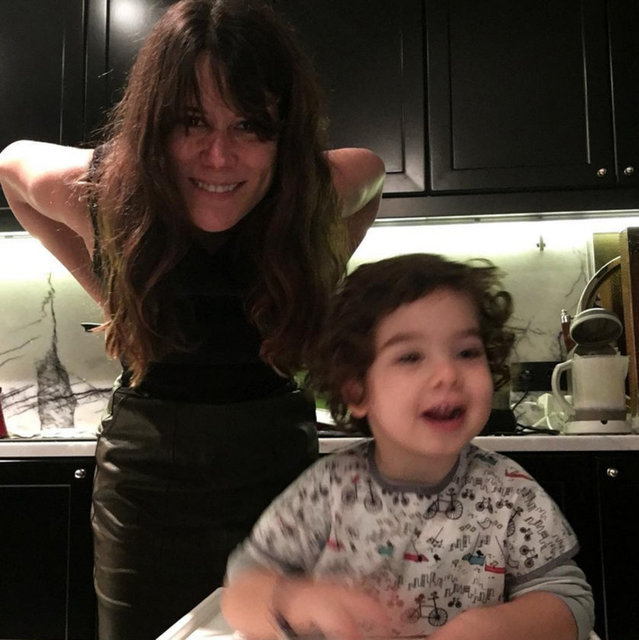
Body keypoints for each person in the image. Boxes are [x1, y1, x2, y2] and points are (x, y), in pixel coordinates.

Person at [0, 1, 385, 638]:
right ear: (154, 126)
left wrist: (312, 276)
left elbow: (370, 174)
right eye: (192, 121)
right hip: (146, 483)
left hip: (281, 470)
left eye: (251, 126)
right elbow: (12, 165)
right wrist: (112, 292)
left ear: (284, 135)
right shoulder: (105, 192)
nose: (219, 156)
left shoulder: (313, 192)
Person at [221, 254, 595, 640]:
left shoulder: (510, 493)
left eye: (467, 352)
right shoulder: (327, 491)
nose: (447, 374)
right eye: (411, 357)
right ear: (357, 390)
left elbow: (571, 600)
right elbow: (241, 588)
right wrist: (292, 600)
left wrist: (493, 628)